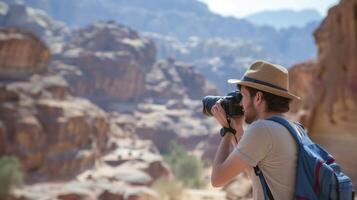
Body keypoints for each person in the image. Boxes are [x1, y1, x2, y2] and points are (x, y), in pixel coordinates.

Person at [210, 60, 301, 200]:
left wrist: (227, 130)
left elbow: (217, 180)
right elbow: (254, 174)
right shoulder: (293, 128)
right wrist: (237, 128)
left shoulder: (262, 129)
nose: (241, 104)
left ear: (258, 97)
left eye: (243, 96)